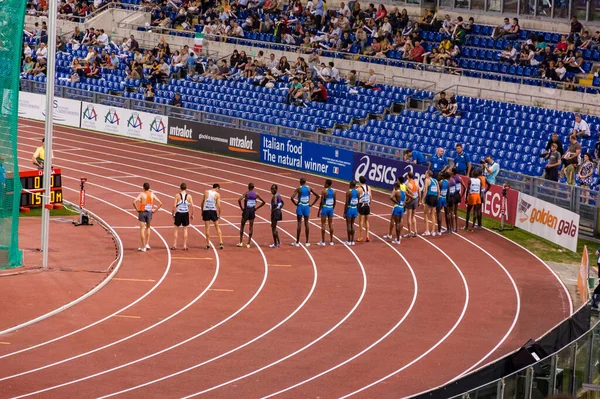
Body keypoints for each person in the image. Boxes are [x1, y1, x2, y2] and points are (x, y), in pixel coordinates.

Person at [133, 183, 163, 252]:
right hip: (149, 212)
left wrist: (137, 209)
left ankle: (143, 247)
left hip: (142, 212)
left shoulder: (141, 194)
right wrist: (155, 210)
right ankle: (147, 244)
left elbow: (134, 202)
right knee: (148, 228)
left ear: (143, 187)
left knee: (142, 230)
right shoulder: (152, 194)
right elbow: (160, 203)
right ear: (149, 188)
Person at [290, 178, 320, 247]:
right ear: (305, 182)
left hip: (300, 206)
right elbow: (318, 196)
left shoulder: (298, 189)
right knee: (307, 223)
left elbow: (291, 197)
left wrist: (295, 204)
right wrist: (312, 204)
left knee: (299, 223)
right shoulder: (309, 188)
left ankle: (297, 242)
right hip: (307, 206)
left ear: (300, 182)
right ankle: (307, 242)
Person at [237, 183, 266, 248]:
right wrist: (256, 208)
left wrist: (241, 208)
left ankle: (241, 242)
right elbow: (264, 202)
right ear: (253, 187)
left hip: (246, 211)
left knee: (242, 225)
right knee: (251, 227)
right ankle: (248, 243)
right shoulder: (256, 194)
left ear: (248, 187)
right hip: (252, 211)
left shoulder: (246, 193)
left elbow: (239, 200)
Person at [171, 183, 194, 251]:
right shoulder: (189, 196)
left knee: (176, 229)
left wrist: (173, 214)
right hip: (185, 213)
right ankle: (184, 245)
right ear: (186, 188)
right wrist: (192, 214)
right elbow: (193, 206)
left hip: (179, 213)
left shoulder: (177, 195)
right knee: (185, 229)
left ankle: (174, 245)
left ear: (180, 188)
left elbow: (174, 205)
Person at [202, 184, 224, 250]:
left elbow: (202, 203)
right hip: (213, 211)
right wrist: (219, 214)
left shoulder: (206, 192)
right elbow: (219, 206)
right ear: (217, 188)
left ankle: (208, 244)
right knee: (217, 227)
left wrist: (202, 211)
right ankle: (221, 242)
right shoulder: (217, 195)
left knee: (207, 228)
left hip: (206, 210)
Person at [384, 175, 406, 239]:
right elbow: (408, 194)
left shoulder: (396, 188)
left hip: (396, 206)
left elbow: (392, 196)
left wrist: (395, 202)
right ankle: (400, 234)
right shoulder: (404, 186)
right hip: (402, 206)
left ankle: (390, 234)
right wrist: (405, 202)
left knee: (393, 220)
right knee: (401, 219)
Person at [317, 179, 336, 246]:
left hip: (325, 208)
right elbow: (335, 202)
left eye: (325, 183)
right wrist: (332, 209)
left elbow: (321, 202)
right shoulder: (334, 192)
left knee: (323, 224)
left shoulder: (324, 191)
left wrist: (319, 210)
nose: (324, 184)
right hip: (330, 208)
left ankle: (323, 241)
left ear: (327, 184)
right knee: (330, 224)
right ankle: (331, 241)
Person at [421, 170, 439, 236]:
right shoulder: (436, 180)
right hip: (435, 198)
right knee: (432, 215)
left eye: (425, 173)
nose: (425, 174)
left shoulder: (427, 180)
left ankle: (427, 231)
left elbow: (425, 190)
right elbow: (438, 190)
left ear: (428, 174)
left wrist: (422, 199)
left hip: (429, 197)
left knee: (425, 214)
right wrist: (437, 198)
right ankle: (433, 231)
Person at [356, 175, 372, 242]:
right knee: (367, 221)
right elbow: (371, 197)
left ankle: (360, 237)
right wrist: (369, 203)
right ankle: (367, 236)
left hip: (361, 205)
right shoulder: (369, 187)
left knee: (360, 221)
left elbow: (357, 198)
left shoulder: (358, 189)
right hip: (367, 205)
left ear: (359, 181)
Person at [403, 172, 419, 238]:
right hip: (416, 199)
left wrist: (405, 202)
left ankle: (409, 233)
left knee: (409, 217)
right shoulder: (416, 182)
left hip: (410, 200)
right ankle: (415, 231)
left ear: (408, 176)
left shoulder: (407, 184)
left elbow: (405, 194)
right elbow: (419, 192)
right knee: (413, 216)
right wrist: (419, 201)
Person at [344, 180, 359, 246]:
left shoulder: (348, 192)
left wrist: (344, 212)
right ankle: (352, 240)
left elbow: (346, 203)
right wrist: (357, 210)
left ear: (350, 184)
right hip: (355, 208)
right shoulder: (357, 192)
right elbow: (358, 202)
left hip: (349, 209)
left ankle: (349, 240)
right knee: (353, 224)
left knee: (348, 225)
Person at [450, 167, 465, 232]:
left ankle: (452, 227)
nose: (450, 171)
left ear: (453, 172)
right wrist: (461, 195)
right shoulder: (460, 178)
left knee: (452, 211)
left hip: (453, 195)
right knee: (456, 211)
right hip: (458, 195)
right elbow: (465, 187)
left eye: (451, 171)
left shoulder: (452, 179)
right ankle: (456, 227)